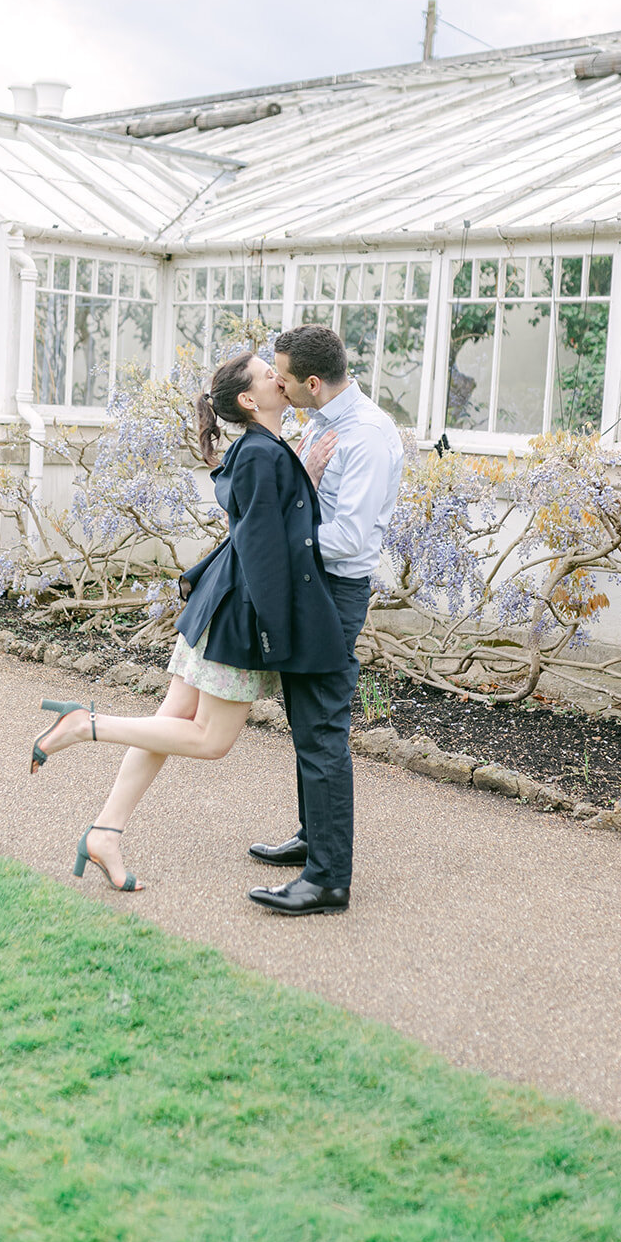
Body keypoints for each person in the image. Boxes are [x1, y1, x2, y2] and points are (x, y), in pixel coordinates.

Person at [28, 351, 347, 896]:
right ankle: (86, 724)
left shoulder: (263, 449)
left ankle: (105, 831)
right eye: (268, 372)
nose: (279, 374)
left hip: (217, 608)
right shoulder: (258, 454)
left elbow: (267, 518)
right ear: (250, 399)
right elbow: (265, 552)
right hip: (238, 618)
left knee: (169, 723)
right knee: (209, 739)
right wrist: (275, 635)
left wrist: (305, 474)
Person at [247, 325, 403, 917]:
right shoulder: (323, 421)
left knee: (322, 727)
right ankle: (315, 838)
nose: (277, 385)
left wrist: (274, 537)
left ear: (313, 382)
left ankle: (329, 879)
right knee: (304, 715)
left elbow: (347, 537)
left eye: (282, 377)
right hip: (311, 585)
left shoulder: (363, 437)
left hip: (334, 591)